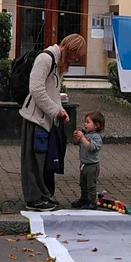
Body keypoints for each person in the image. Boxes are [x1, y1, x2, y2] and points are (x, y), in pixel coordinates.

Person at [20, 33, 87, 211]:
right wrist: (56, 110)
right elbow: (36, 89)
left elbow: (52, 92)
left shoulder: (58, 63)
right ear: (70, 49)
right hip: (36, 119)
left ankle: (44, 195)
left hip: (47, 119)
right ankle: (35, 199)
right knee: (35, 160)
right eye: (77, 54)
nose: (78, 58)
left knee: (45, 160)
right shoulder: (45, 58)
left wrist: (60, 111)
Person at [70, 111, 105, 210]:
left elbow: (91, 147)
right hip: (84, 164)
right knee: (83, 184)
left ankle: (92, 201)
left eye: (88, 122)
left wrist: (82, 137)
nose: (85, 124)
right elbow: (76, 143)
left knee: (91, 185)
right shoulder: (86, 135)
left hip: (92, 166)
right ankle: (83, 199)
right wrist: (77, 137)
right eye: (85, 122)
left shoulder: (96, 137)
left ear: (97, 125)